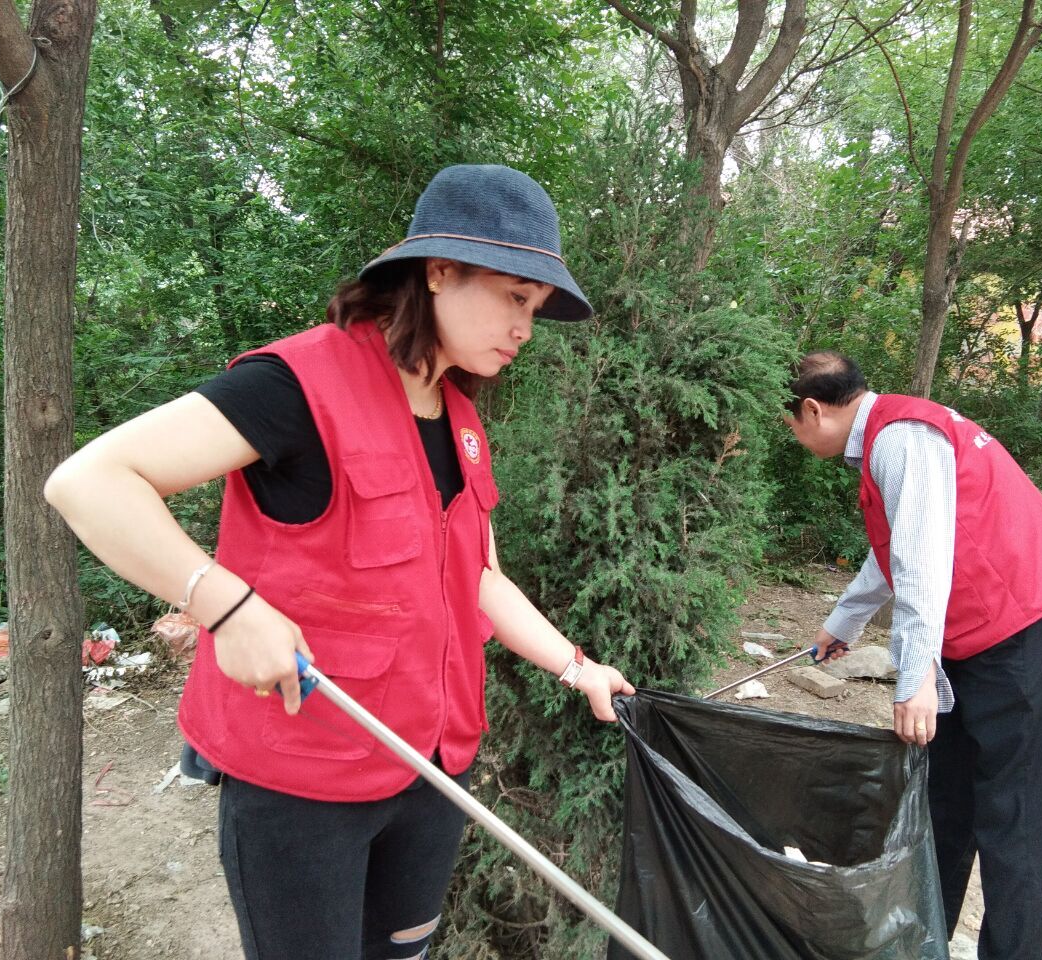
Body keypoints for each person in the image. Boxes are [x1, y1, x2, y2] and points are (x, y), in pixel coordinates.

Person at [45, 164, 635, 960]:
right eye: (514, 296)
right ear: (439, 270)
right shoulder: (297, 384)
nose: (526, 326)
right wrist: (223, 603)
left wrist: (577, 667)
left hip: (431, 771)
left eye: (535, 308)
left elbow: (482, 580)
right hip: (302, 781)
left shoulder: (460, 418)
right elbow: (87, 482)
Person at [782, 351, 1042, 960]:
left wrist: (914, 676)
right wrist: (842, 621)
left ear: (814, 409)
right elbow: (896, 550)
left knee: (1015, 821)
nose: (794, 437)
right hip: (972, 638)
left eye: (791, 425)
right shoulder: (885, 442)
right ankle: (926, 943)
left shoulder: (903, 440)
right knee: (943, 806)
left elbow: (922, 562)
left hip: (1025, 633)